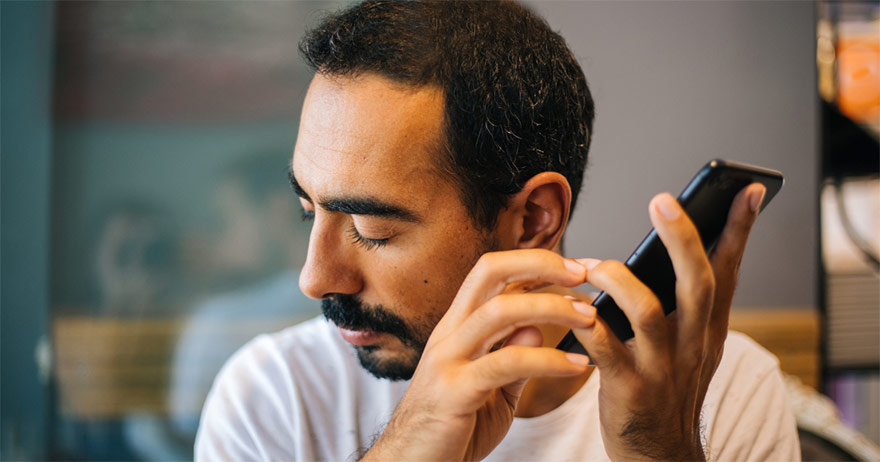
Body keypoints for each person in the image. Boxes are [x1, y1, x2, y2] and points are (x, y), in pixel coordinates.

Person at [195, 1, 799, 461]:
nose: (314, 277)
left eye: (373, 229)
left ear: (534, 219)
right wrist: (408, 445)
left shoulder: (725, 395)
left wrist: (660, 450)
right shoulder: (274, 396)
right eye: (311, 211)